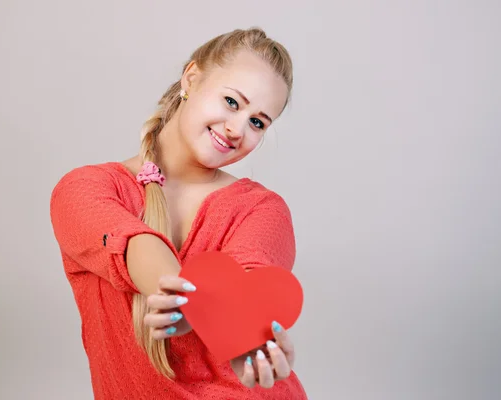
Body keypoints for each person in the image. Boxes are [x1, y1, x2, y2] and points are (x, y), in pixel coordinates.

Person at [49, 27, 308, 399]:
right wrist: (185, 306)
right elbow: (133, 244)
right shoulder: (84, 189)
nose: (237, 128)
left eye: (258, 123)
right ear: (192, 78)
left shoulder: (262, 209)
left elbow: (253, 286)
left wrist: (250, 341)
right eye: (232, 102)